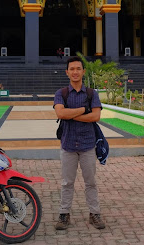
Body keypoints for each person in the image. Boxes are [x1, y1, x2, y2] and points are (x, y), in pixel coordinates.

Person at [53, 56, 105, 230]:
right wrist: (84, 110)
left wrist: (71, 114)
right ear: (67, 72)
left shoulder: (91, 94)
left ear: (83, 71)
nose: (75, 72)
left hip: (88, 144)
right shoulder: (61, 93)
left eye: (78, 69)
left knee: (90, 182)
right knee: (67, 182)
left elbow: (96, 116)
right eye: (72, 69)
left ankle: (95, 213)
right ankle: (64, 214)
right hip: (68, 144)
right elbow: (60, 114)